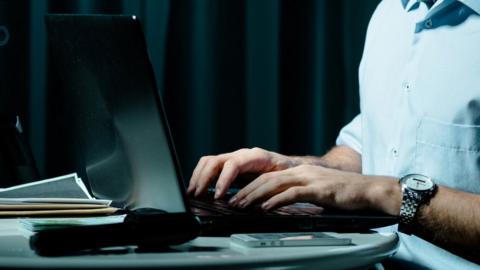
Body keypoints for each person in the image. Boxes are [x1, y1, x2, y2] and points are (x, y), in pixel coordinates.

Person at [188, 0, 480, 268]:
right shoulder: (390, 14)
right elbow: (370, 149)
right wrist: (297, 169)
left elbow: (377, 185)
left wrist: (385, 193)